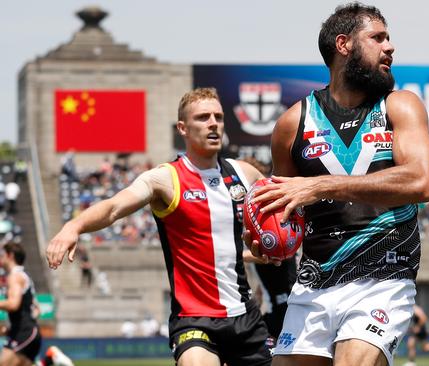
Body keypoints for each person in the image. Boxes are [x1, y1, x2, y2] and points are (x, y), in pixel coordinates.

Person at [246, 3, 429, 366]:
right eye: (378, 38)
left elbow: (421, 180)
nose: (390, 47)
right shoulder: (292, 123)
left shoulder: (400, 106)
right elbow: (282, 209)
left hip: (384, 275)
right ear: (344, 44)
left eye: (389, 38)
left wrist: (320, 187)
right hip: (314, 282)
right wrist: (264, 236)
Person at [46, 87, 276, 366]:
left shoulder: (245, 173)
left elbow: (280, 216)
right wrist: (74, 226)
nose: (213, 123)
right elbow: (114, 207)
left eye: (218, 116)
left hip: (246, 317)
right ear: (183, 128)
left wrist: (273, 245)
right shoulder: (164, 179)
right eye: (203, 117)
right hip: (195, 319)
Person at [0, 242, 42, 366]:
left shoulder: (15, 276)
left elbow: (13, 304)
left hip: (24, 333)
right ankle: (50, 359)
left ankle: (50, 358)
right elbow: (37, 309)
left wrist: (24, 326)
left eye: (2, 255)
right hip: (27, 332)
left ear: (10, 256)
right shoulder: (24, 276)